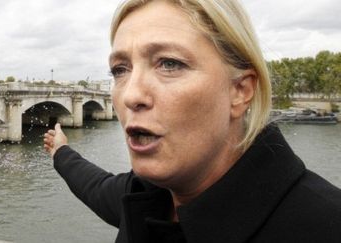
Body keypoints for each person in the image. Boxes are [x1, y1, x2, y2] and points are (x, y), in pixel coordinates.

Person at [43, 0, 341, 242]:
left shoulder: (326, 225)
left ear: (240, 91)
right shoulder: (150, 195)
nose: (131, 94)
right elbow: (96, 186)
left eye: (169, 64)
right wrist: (61, 151)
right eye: (120, 69)